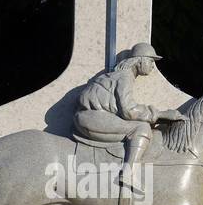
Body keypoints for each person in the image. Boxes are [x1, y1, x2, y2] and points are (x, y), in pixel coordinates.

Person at [72, 43, 185, 187]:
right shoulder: (125, 77)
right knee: (142, 128)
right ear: (140, 60)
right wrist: (161, 114)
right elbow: (128, 110)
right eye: (150, 61)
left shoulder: (121, 76)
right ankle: (128, 174)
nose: (152, 66)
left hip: (91, 116)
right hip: (91, 118)